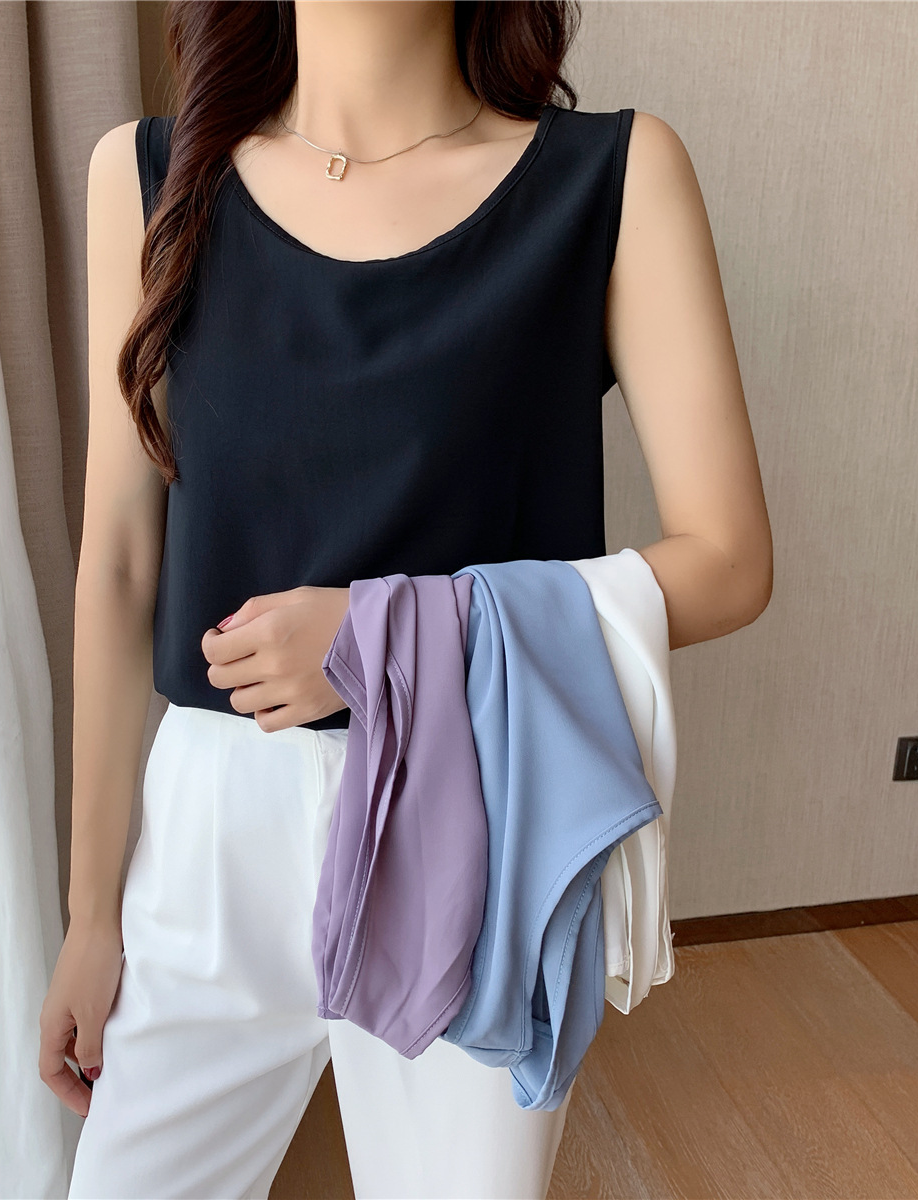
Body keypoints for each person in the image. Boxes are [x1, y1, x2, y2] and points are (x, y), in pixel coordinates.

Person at [38, 1, 773, 1197]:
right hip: (210, 827)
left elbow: (730, 559)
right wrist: (89, 916)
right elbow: (121, 561)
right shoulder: (150, 177)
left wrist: (383, 633)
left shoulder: (613, 179)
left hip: (473, 808)